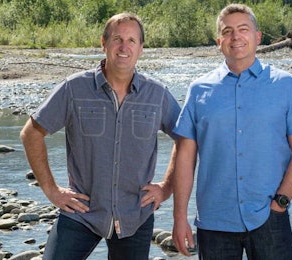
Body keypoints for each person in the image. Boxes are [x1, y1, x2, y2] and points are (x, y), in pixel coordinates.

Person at [20, 13, 180, 260]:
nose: (124, 47)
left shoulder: (157, 95)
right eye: (117, 39)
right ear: (103, 43)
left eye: (132, 40)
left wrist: (166, 188)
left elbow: (185, 139)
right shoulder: (74, 89)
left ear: (141, 49)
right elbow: (31, 133)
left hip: (134, 216)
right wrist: (52, 191)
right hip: (82, 213)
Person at [171, 3, 292, 260]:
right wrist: (179, 217)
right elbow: (185, 158)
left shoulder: (286, 85)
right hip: (214, 222)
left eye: (243, 29)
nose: (235, 37)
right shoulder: (198, 90)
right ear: (219, 41)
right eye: (227, 31)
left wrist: (280, 203)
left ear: (257, 37)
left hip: (269, 218)